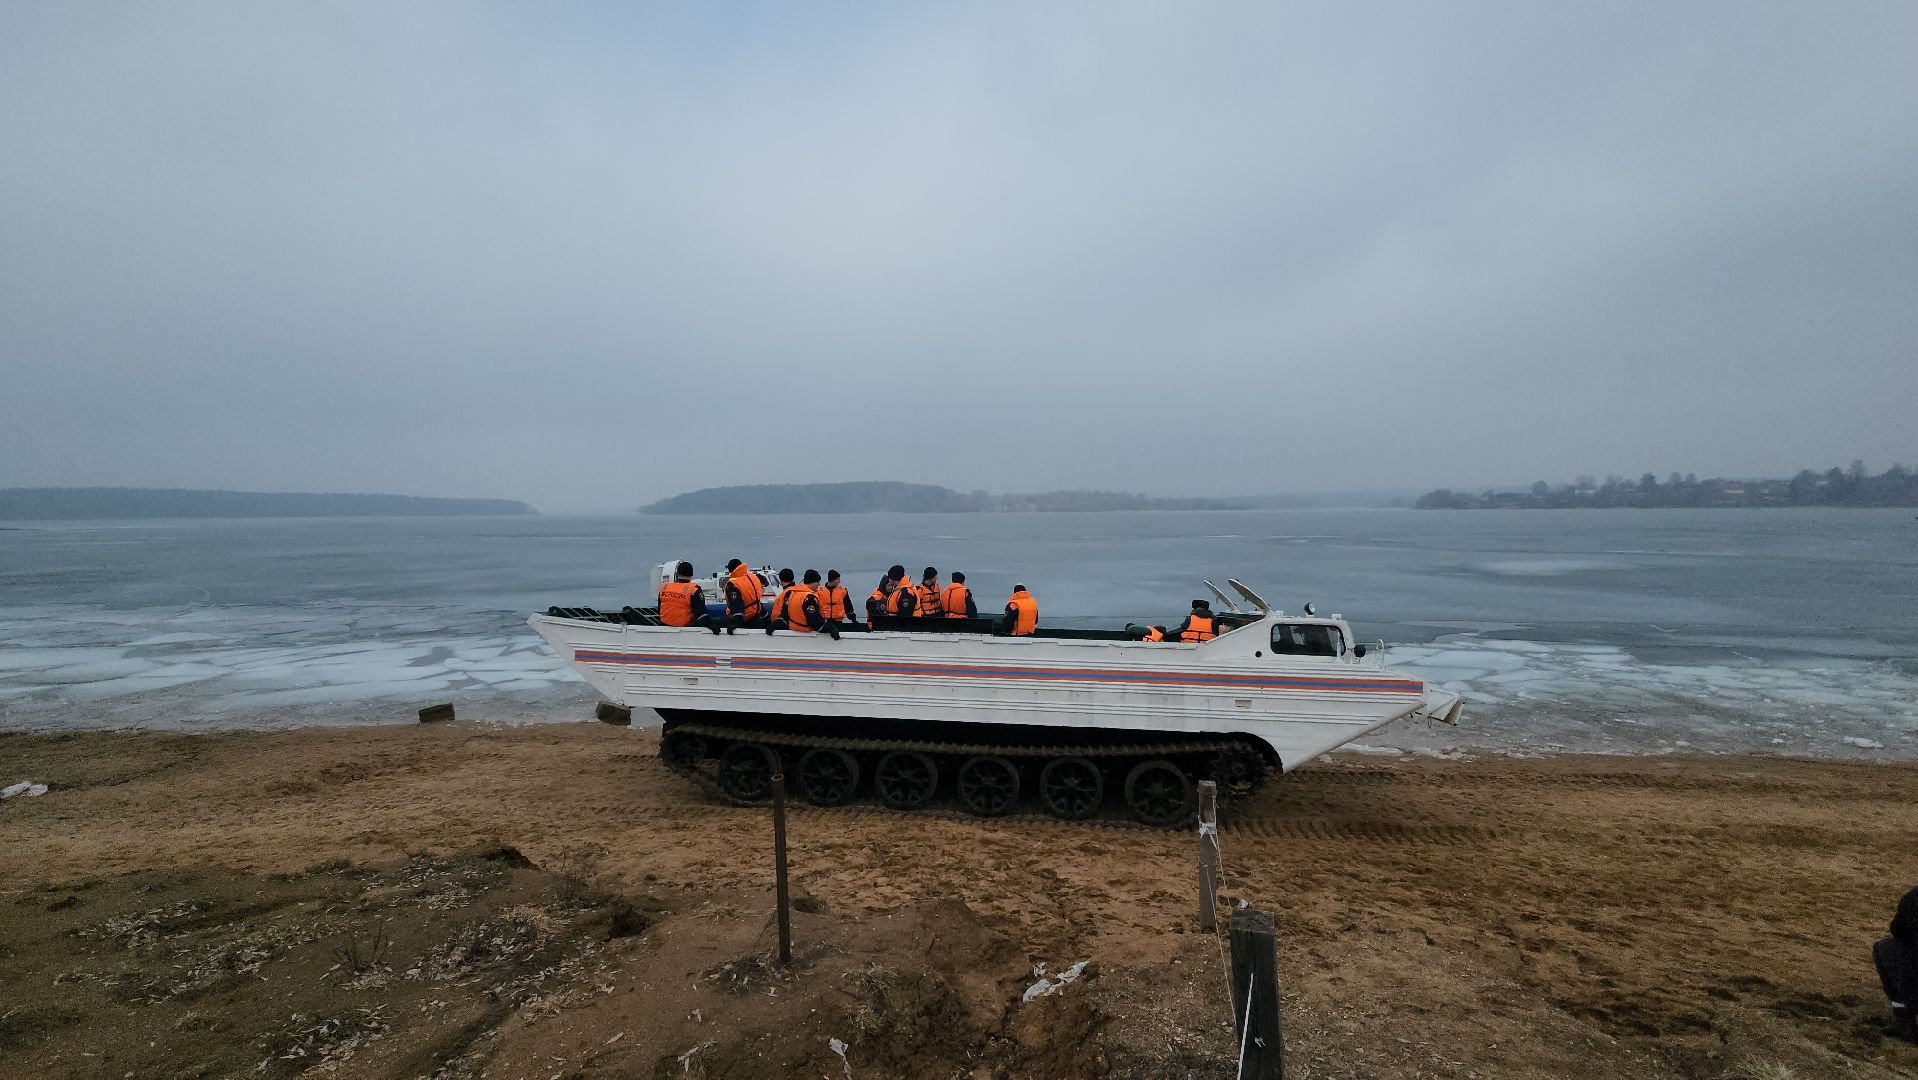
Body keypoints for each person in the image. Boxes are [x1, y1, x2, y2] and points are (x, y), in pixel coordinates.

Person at [1877, 886, 1918, 1042]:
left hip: (1913, 993)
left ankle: (1904, 1021)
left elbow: (1896, 928)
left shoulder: (1914, 897)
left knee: (1884, 948)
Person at [656, 561, 707, 628]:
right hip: (686, 630)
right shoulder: (694, 589)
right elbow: (701, 614)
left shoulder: (664, 588)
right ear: (691, 575)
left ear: (677, 574)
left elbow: (660, 609)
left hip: (664, 627)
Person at [722, 558, 764, 634]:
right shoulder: (753, 577)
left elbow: (736, 604)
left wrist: (736, 623)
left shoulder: (733, 584)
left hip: (744, 620)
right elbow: (756, 598)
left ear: (730, 570)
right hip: (756, 615)